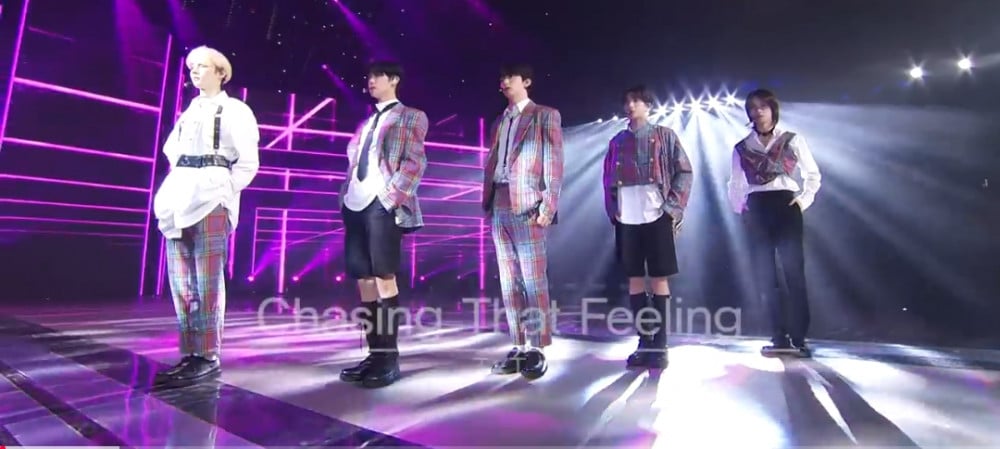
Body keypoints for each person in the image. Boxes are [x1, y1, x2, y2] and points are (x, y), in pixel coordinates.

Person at [152, 45, 260, 384]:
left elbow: (248, 162)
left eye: (202, 66)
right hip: (179, 198)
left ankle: (207, 355)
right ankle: (191, 353)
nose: (194, 72)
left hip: (212, 198)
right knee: (181, 281)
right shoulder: (189, 111)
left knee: (208, 281)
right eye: (191, 67)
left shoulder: (236, 110)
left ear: (220, 72)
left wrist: (224, 193)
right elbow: (172, 151)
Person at [338, 61, 428, 388]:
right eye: (369, 76)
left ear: (393, 80)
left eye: (377, 76)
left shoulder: (411, 116)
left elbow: (415, 162)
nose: (371, 81)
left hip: (383, 203)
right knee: (363, 279)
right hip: (355, 202)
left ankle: (389, 359)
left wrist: (390, 198)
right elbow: (354, 162)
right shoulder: (365, 123)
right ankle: (374, 354)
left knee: (383, 276)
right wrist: (345, 196)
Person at [482, 63, 563, 380]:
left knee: (533, 279)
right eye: (501, 77)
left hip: (528, 204)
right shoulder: (499, 121)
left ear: (526, 81)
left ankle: (537, 349)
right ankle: (518, 345)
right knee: (508, 280)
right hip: (499, 201)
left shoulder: (544, 115)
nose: (503, 82)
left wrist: (549, 204)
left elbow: (554, 161)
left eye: (510, 77)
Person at [603, 85, 693, 370]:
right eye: (627, 101)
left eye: (637, 101)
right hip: (626, 215)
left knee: (659, 277)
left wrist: (672, 208)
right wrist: (613, 210)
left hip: (656, 213)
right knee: (634, 278)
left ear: (648, 105)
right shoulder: (617, 141)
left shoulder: (664, 135)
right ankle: (644, 341)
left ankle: (661, 343)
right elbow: (607, 178)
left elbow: (684, 171)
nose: (631, 106)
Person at [727, 88, 821, 358]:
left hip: (786, 205)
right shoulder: (742, 147)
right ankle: (778, 336)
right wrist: (741, 208)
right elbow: (734, 183)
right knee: (766, 276)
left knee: (794, 273)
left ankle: (800, 338)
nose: (758, 112)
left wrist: (802, 201)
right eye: (753, 108)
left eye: (763, 107)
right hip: (757, 207)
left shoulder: (792, 139)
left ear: (772, 110)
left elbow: (813, 174)